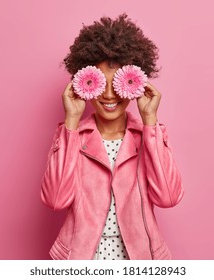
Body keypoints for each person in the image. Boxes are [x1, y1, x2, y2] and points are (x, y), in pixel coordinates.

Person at [41, 13, 184, 260]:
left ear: (136, 83)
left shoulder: (146, 136)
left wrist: (150, 121)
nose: (109, 95)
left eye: (118, 83)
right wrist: (71, 122)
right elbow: (56, 199)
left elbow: (168, 197)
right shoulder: (73, 135)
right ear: (84, 82)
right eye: (100, 83)